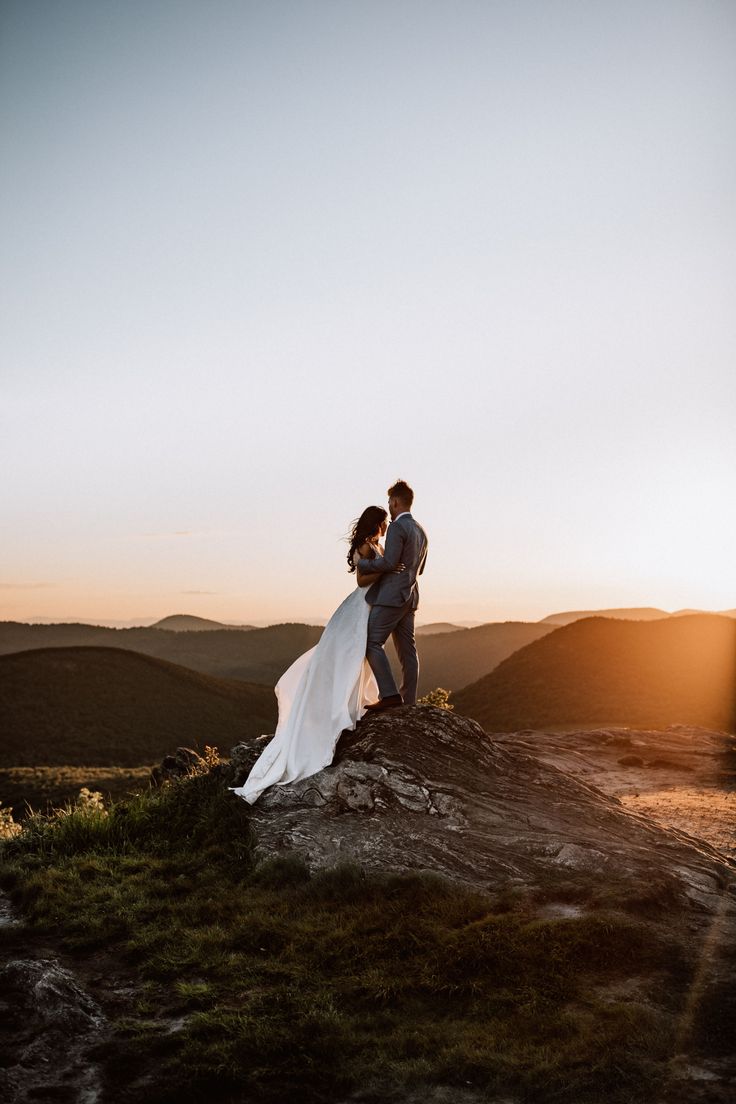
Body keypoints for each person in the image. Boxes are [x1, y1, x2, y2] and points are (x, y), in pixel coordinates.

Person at [230, 504, 399, 805]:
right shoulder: (365, 546)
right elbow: (362, 581)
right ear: (377, 522)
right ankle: (336, 711)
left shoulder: (376, 544)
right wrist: (385, 570)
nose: (387, 526)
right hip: (360, 606)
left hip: (369, 606)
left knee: (358, 656)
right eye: (384, 522)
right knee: (348, 656)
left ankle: (352, 702)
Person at [358, 480, 428, 711]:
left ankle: (389, 695)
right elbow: (420, 569)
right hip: (411, 596)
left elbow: (389, 562)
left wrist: (365, 564)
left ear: (395, 502)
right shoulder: (421, 530)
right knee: (408, 650)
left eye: (389, 501)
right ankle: (408, 701)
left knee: (371, 641)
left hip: (391, 597)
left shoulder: (398, 527)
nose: (389, 505)